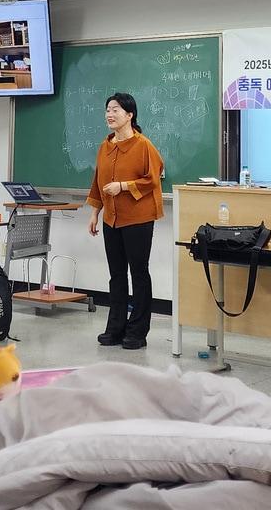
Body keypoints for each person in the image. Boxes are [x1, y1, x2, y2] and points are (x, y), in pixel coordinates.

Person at [86, 92, 164, 350]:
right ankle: (115, 328)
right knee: (116, 275)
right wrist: (94, 213)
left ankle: (137, 332)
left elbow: (153, 178)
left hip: (138, 219)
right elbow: (98, 181)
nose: (110, 114)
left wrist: (124, 186)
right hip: (111, 219)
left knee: (139, 274)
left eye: (116, 109)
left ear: (130, 115)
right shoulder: (105, 146)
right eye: (108, 109)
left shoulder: (143, 145)